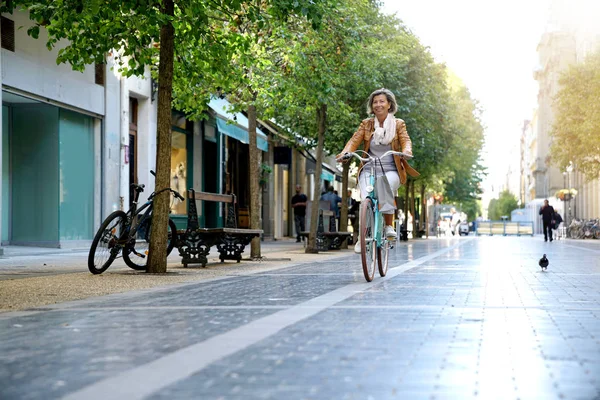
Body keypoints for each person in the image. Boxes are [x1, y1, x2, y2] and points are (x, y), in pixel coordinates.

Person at [337, 88, 419, 253]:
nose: (378, 105)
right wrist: (345, 153)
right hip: (369, 167)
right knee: (365, 197)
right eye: (375, 102)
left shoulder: (398, 124)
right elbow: (354, 140)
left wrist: (407, 151)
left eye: (382, 101)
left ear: (389, 104)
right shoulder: (366, 124)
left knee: (384, 185)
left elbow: (405, 140)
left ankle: (388, 226)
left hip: (391, 170)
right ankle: (363, 237)